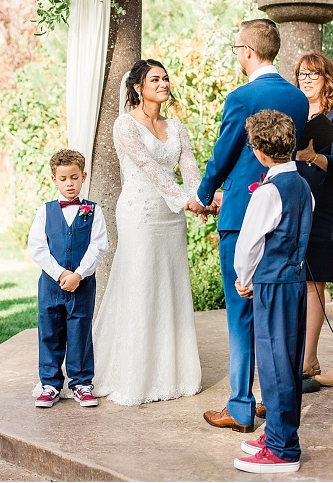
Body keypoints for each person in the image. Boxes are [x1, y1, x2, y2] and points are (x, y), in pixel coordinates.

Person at [186, 18, 309, 433]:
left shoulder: (241, 97)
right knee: (272, 311)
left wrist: (203, 194)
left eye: (237, 49)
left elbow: (223, 155)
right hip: (288, 209)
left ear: (247, 51)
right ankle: (271, 398)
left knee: (241, 312)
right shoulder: (298, 99)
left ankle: (241, 405)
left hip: (243, 212)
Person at [92, 59, 203, 406]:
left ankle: (175, 372)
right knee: (140, 285)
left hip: (172, 220)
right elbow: (150, 168)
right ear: (138, 87)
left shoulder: (177, 127)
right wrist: (182, 199)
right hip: (140, 214)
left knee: (171, 286)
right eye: (156, 79)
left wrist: (200, 200)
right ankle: (133, 375)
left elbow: (191, 170)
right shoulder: (124, 125)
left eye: (166, 78)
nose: (164, 83)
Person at [232, 109, 314, 474]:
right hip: (296, 284)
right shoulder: (303, 187)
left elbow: (249, 244)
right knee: (289, 363)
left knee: (274, 365)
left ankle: (283, 449)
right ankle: (281, 433)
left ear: (258, 152)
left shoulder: (267, 192)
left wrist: (244, 278)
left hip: (271, 285)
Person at [28, 149, 108, 408]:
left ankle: (82, 383)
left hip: (82, 284)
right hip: (51, 285)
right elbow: (38, 247)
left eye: (74, 177)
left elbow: (98, 246)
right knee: (50, 331)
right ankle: (50, 383)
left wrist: (78, 274)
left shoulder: (93, 211)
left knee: (80, 332)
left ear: (83, 176)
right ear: (54, 180)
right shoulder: (45, 211)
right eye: (63, 179)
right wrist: (61, 273)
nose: (69, 183)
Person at [292, 52, 333, 391]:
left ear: (327, 78)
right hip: (305, 208)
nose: (307, 80)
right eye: (301, 74)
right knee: (310, 284)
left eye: (314, 74)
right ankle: (309, 358)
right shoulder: (297, 114)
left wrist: (316, 157)